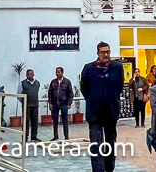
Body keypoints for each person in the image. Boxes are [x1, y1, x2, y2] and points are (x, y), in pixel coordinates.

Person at [81, 42, 124, 172]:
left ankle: (109, 168)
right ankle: (98, 169)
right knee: (96, 144)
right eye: (102, 52)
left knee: (110, 143)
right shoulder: (89, 68)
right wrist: (94, 99)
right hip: (95, 112)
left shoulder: (117, 67)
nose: (105, 54)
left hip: (111, 111)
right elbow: (84, 88)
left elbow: (120, 86)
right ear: (98, 53)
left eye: (108, 51)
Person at [48, 67, 74, 141]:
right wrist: (50, 103)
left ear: (62, 73)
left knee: (65, 121)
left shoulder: (67, 82)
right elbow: (50, 93)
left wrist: (69, 103)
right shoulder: (53, 82)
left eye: (59, 72)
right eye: (56, 72)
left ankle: (66, 136)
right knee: (55, 121)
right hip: (55, 104)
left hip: (64, 104)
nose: (57, 74)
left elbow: (70, 93)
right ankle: (55, 136)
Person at [17, 69, 42, 142]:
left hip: (35, 105)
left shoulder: (37, 83)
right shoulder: (22, 83)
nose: (29, 76)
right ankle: (25, 137)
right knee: (26, 122)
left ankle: (34, 136)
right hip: (26, 106)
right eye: (28, 74)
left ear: (33, 75)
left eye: (30, 74)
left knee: (35, 122)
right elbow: (19, 94)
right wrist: (23, 102)